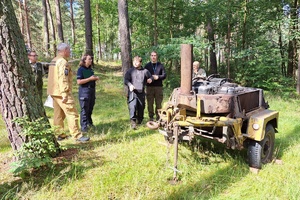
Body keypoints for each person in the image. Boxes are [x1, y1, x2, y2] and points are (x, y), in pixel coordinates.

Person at [47, 43, 90, 142]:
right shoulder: (62, 62)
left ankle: (59, 134)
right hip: (61, 92)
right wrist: (65, 93)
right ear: (64, 50)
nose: (70, 52)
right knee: (72, 113)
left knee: (58, 114)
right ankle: (77, 135)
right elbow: (63, 78)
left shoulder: (54, 60)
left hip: (54, 91)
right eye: (69, 50)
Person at [124, 56, 153, 129]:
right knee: (132, 107)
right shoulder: (130, 71)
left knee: (141, 107)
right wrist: (130, 85)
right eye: (134, 62)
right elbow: (126, 80)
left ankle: (139, 121)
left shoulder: (145, 71)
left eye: (137, 62)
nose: (135, 63)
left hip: (141, 93)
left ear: (140, 63)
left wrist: (150, 79)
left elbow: (151, 77)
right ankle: (133, 123)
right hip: (133, 93)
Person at [77, 55, 99, 133]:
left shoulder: (90, 69)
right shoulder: (81, 70)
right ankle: (84, 127)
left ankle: (89, 123)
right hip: (84, 92)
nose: (91, 61)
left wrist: (95, 78)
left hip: (91, 91)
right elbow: (79, 81)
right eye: (89, 59)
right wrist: (90, 79)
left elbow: (90, 79)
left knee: (90, 108)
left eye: (91, 59)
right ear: (84, 60)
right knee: (84, 109)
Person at [144, 51, 166, 121]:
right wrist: (147, 80)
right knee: (150, 103)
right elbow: (144, 76)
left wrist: (158, 77)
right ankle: (151, 117)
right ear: (150, 56)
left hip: (158, 87)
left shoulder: (160, 65)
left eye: (155, 55)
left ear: (157, 57)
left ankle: (158, 117)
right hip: (149, 87)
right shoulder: (147, 66)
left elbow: (164, 75)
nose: (153, 57)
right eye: (152, 55)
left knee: (158, 103)